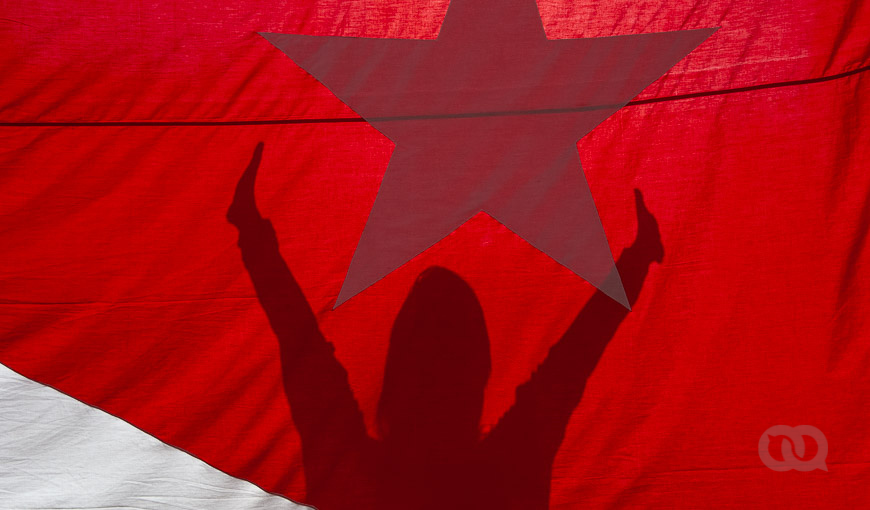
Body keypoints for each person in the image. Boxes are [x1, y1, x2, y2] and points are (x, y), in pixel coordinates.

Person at [227, 142, 663, 509]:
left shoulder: (355, 476)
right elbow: (570, 364)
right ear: (478, 372)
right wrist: (637, 260)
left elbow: (304, 349)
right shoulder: (511, 471)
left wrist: (252, 233)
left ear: (397, 371)